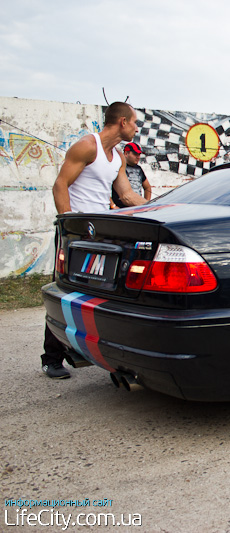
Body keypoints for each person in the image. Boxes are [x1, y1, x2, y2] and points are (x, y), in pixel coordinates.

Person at [42, 102, 147, 379]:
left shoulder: (118, 158)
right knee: (68, 291)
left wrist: (157, 208)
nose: (137, 128)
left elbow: (126, 196)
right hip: (76, 233)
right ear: (122, 121)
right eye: (135, 123)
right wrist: (67, 225)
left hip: (100, 233)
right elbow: (60, 184)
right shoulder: (88, 146)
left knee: (103, 295)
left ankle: (100, 354)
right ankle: (51, 357)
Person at [112, 142, 151, 207]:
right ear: (126, 153)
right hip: (121, 209)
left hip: (137, 207)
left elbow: (147, 187)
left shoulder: (139, 169)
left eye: (139, 154)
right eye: (135, 154)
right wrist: (113, 206)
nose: (138, 157)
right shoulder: (118, 167)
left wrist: (146, 203)